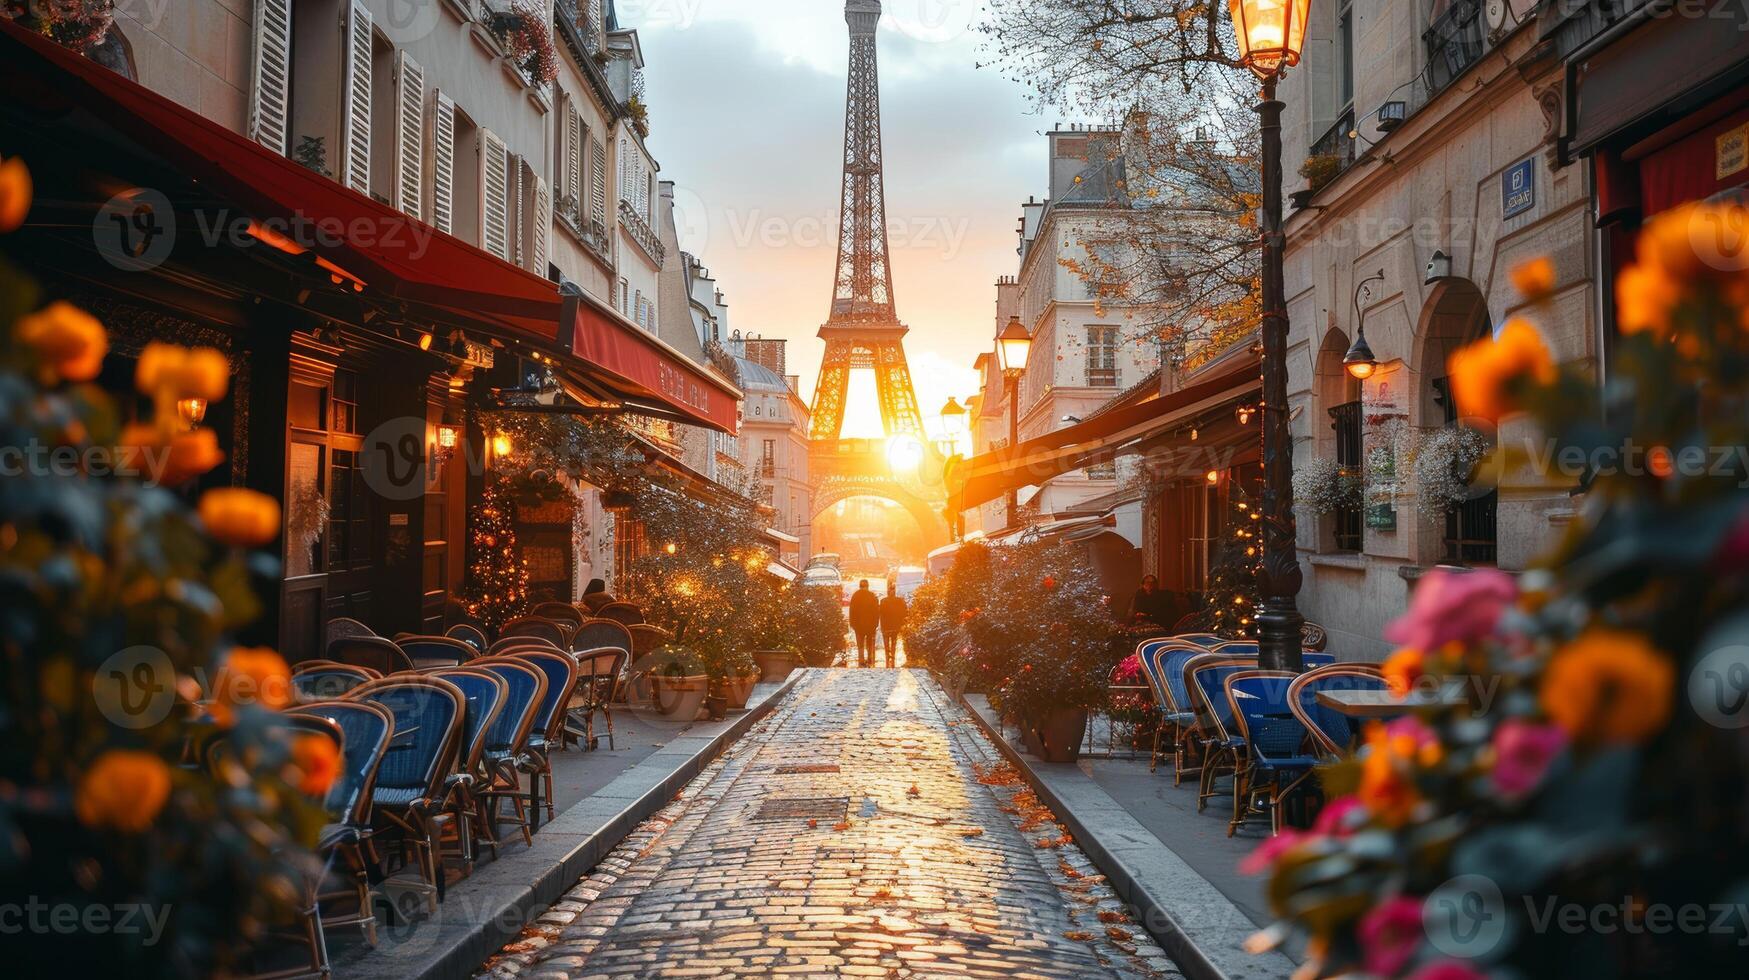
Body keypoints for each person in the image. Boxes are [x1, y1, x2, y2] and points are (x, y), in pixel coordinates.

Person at [848, 579, 880, 667]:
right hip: (870, 624)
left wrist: (852, 623)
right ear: (868, 586)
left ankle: (861, 660)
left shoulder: (855, 595)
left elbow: (852, 610)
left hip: (858, 625)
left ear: (859, 586)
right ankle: (870, 658)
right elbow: (876, 611)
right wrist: (876, 623)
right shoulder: (871, 595)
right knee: (869, 643)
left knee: (860, 644)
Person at [878, 583, 907, 669]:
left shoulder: (883, 601)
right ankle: (892, 659)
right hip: (894, 626)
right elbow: (904, 612)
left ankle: (888, 660)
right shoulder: (899, 601)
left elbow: (880, 613)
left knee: (888, 643)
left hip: (887, 626)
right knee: (893, 643)